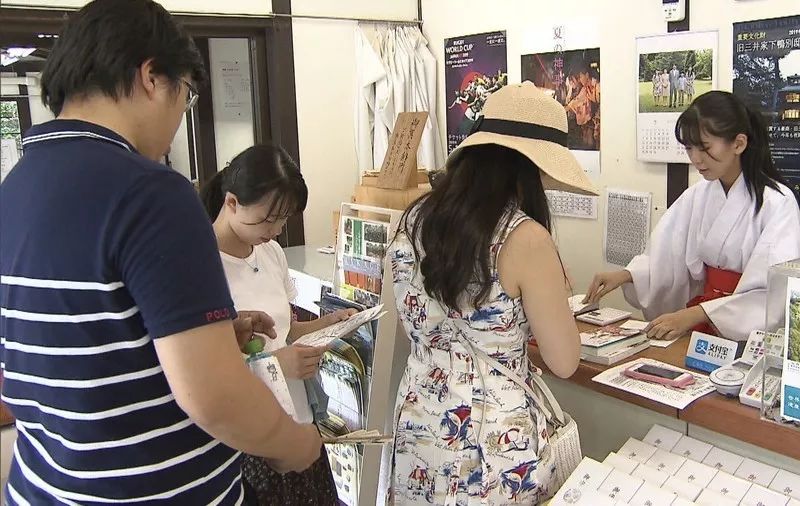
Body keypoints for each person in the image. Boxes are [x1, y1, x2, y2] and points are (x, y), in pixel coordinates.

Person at [0, 1, 322, 503]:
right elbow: (213, 396)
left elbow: (77, 344)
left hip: (47, 486)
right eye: (188, 96)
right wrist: (293, 443)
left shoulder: (15, 188)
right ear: (152, 76)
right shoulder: (151, 192)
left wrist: (213, 338)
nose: (179, 118)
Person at [388, 82, 600, 505]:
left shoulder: (413, 219)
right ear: (528, 167)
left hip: (420, 426)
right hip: (494, 444)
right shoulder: (526, 239)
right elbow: (563, 360)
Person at [584, 91, 800, 342]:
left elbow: (771, 292)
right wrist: (627, 275)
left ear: (738, 143)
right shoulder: (699, 195)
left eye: (704, 148)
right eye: (689, 148)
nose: (696, 158)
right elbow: (668, 254)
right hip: (702, 319)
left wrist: (696, 314)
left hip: (747, 333)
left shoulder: (778, 204)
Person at [200, 145, 355, 505]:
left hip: (297, 420)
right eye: (267, 219)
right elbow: (199, 371)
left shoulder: (270, 253)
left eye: (284, 219)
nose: (276, 230)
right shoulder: (201, 264)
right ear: (232, 202)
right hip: (247, 436)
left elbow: (283, 333)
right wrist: (274, 365)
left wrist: (331, 324)